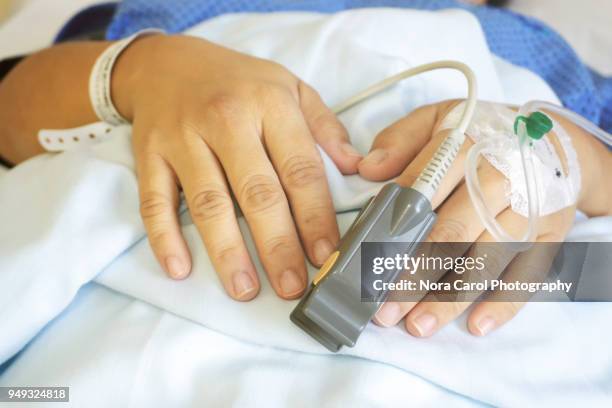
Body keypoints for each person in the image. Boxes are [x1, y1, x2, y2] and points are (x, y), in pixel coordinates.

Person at [0, 1, 610, 338]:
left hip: (478, 329)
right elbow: (10, 109)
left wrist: (562, 159)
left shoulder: (526, 43)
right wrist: (146, 68)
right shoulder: (182, 7)